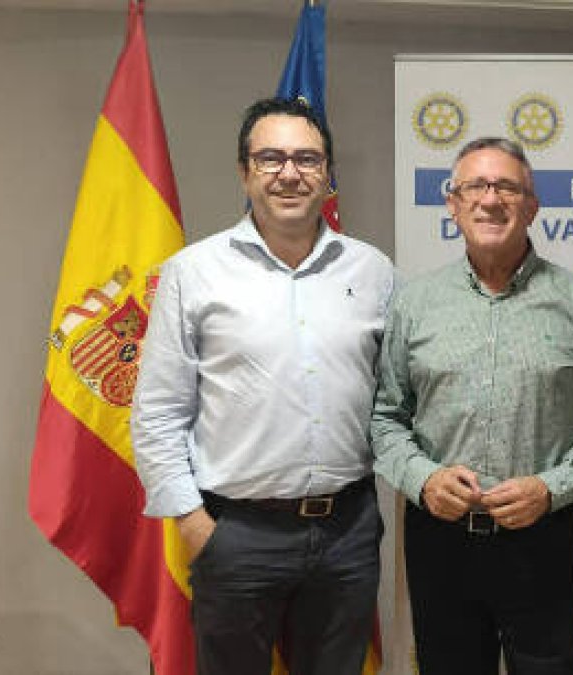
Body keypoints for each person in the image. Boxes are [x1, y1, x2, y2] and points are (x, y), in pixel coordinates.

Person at [130, 97, 394, 675]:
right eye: (271, 158)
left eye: (306, 158)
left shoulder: (372, 271)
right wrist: (195, 525)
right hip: (236, 534)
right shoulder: (193, 272)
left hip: (347, 531)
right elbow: (157, 410)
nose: (289, 173)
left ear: (327, 176)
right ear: (244, 172)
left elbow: (393, 400)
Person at [371, 137, 573, 675]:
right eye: (476, 186)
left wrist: (552, 487)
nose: (491, 199)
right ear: (453, 203)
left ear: (532, 206)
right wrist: (423, 478)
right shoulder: (416, 303)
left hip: (543, 538)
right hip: (440, 540)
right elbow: (385, 417)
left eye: (507, 187)